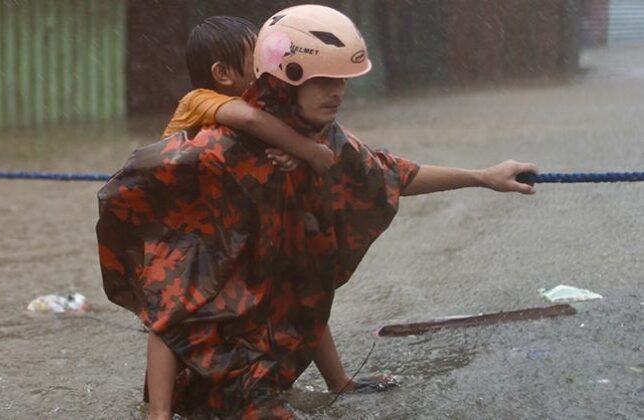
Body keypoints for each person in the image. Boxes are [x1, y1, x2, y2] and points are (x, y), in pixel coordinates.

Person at [96, 5, 538, 419]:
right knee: (178, 306)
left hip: (261, 333)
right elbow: (133, 188)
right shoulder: (215, 142)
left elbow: (389, 173)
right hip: (206, 323)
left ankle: (337, 382)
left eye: (343, 81)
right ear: (286, 79)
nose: (338, 92)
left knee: (308, 270)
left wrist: (484, 176)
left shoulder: (323, 139)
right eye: (325, 81)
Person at [163, 16, 334, 174]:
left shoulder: (255, 99)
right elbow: (252, 120)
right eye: (257, 59)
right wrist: (311, 152)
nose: (267, 65)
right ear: (222, 73)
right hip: (172, 190)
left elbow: (293, 124)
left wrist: (293, 151)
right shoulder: (197, 100)